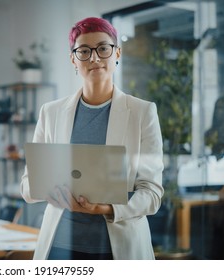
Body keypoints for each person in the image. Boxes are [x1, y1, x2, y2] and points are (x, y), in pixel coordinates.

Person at [20, 17, 164, 260]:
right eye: (84, 51)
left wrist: (106, 208)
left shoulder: (142, 113)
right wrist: (48, 191)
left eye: (103, 48)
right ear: (73, 59)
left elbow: (151, 194)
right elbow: (27, 186)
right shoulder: (50, 112)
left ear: (116, 53)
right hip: (60, 249)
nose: (95, 58)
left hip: (118, 251)